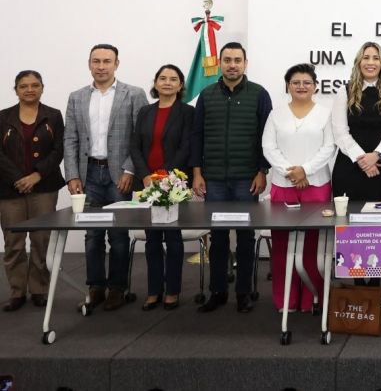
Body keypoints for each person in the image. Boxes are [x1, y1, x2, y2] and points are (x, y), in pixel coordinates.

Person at [191, 42, 273, 313]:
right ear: (220, 63)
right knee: (218, 238)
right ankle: (218, 291)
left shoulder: (259, 95)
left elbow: (267, 136)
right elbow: (197, 136)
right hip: (213, 179)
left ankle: (244, 292)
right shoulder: (207, 94)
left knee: (246, 238)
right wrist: (197, 173)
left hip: (247, 179)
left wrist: (262, 171)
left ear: (245, 63)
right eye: (227, 60)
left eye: (237, 60)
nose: (232, 64)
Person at [64, 44, 147, 312]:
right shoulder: (76, 97)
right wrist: (72, 175)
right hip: (88, 175)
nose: (101, 66)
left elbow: (140, 137)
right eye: (96, 61)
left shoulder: (133, 94)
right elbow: (71, 138)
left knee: (119, 235)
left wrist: (130, 169)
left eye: (107, 61)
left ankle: (117, 289)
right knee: (92, 235)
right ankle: (96, 287)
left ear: (117, 64)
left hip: (119, 175)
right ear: (89, 64)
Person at [331, 42, 381, 286]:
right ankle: (357, 284)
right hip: (351, 168)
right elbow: (340, 132)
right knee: (353, 227)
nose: (370, 62)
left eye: (375, 57)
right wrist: (362, 159)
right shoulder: (345, 90)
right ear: (358, 62)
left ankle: (377, 288)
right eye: (366, 57)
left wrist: (377, 155)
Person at [262, 63, 334, 313]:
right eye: (296, 82)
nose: (301, 86)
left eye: (306, 82)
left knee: (315, 245)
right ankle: (287, 301)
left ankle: (313, 299)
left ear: (315, 86)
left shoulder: (325, 113)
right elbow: (268, 147)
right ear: (288, 86)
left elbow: (329, 147)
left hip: (316, 186)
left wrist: (306, 170)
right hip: (284, 186)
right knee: (282, 245)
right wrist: (290, 172)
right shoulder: (276, 114)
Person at [129, 64, 194, 311]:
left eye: (173, 79)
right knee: (152, 240)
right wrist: (146, 176)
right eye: (163, 78)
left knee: (174, 239)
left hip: (173, 182)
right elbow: (134, 146)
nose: (167, 82)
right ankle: (154, 290)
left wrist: (163, 175)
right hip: (147, 184)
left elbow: (186, 147)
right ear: (155, 83)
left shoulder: (187, 112)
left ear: (180, 85)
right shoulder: (145, 111)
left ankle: (173, 291)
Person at [0, 71, 64, 311]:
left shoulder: (53, 116)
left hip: (44, 188)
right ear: (15, 89)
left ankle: (39, 289)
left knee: (41, 241)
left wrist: (37, 175)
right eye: (23, 86)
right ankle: (17, 292)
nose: (29, 89)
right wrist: (18, 178)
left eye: (35, 85)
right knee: (13, 242)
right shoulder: (2, 117)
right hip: (9, 189)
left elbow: (58, 151)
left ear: (42, 88)